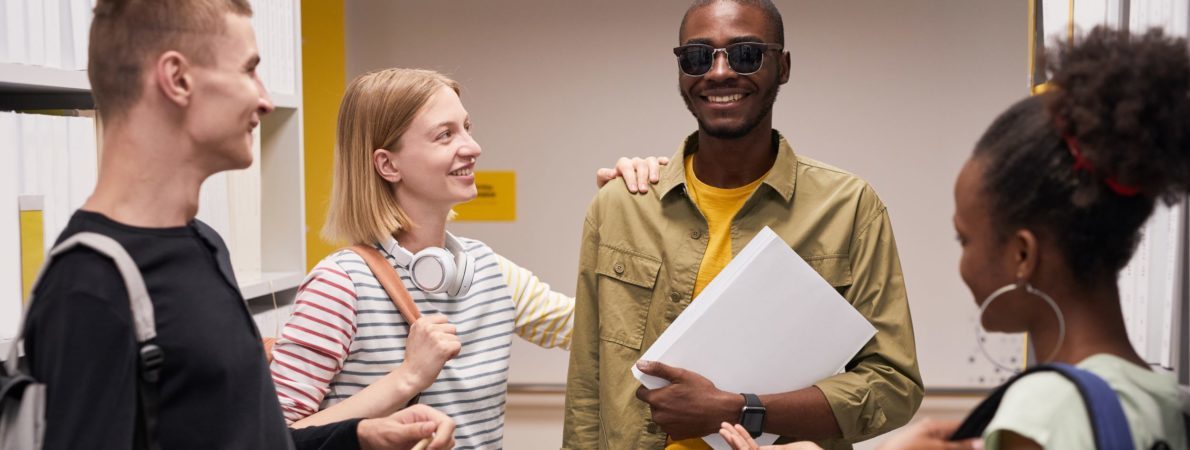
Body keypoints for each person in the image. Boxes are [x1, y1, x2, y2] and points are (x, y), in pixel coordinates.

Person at [718, 26, 1190, 450]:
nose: (962, 264)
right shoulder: (1165, 399)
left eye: (965, 240)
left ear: (1022, 254)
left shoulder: (1043, 412)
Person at [20, 1, 455, 449]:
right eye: (248, 70)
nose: (264, 100)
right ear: (177, 79)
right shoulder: (88, 286)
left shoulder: (203, 245)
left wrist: (358, 437)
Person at [562, 1, 923, 449]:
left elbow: (893, 386)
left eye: (745, 53)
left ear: (783, 66)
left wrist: (739, 409)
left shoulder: (849, 208)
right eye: (697, 56)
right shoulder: (620, 206)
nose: (718, 73)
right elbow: (586, 387)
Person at [268, 67, 666, 449]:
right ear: (388, 164)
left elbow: (609, 330)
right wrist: (407, 378)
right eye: (445, 135)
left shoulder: (489, 270)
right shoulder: (339, 285)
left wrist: (632, 212)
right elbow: (273, 437)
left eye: (467, 128)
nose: (473, 148)